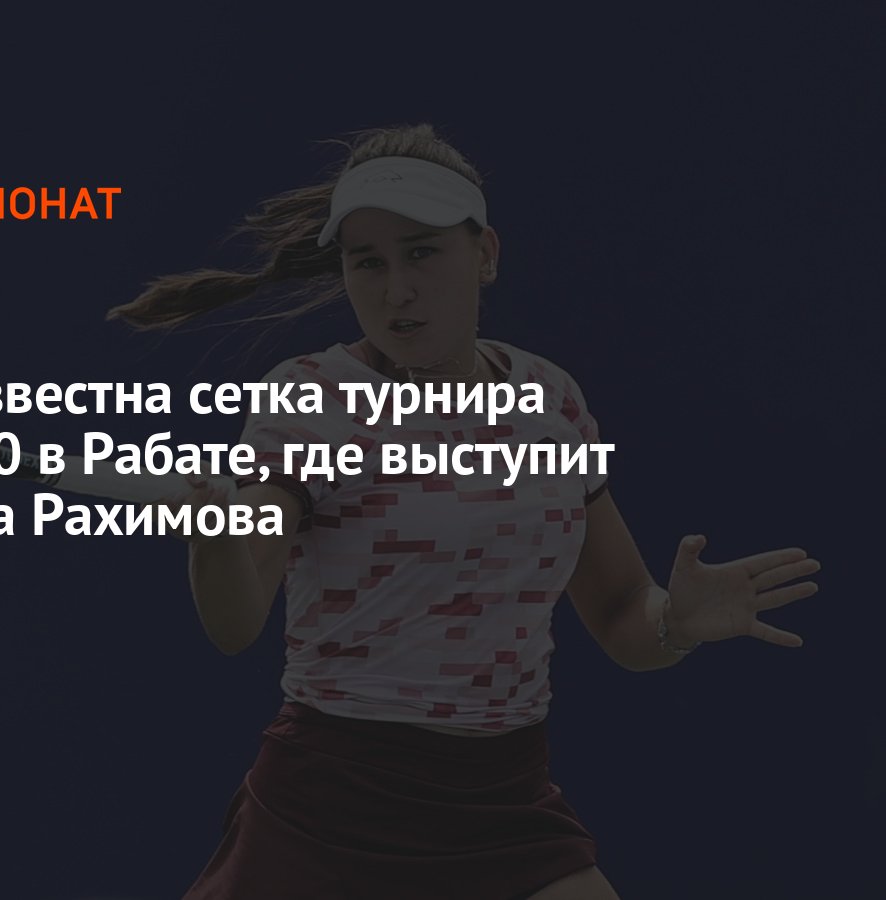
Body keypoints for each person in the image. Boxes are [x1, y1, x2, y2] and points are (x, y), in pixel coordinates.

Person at [105, 124, 819, 900]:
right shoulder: (312, 398)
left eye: (422, 253)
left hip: (503, 802)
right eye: (367, 262)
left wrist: (674, 624)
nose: (395, 290)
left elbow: (622, 613)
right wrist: (214, 537)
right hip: (329, 806)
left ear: (485, 255)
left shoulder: (551, 400)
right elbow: (235, 621)